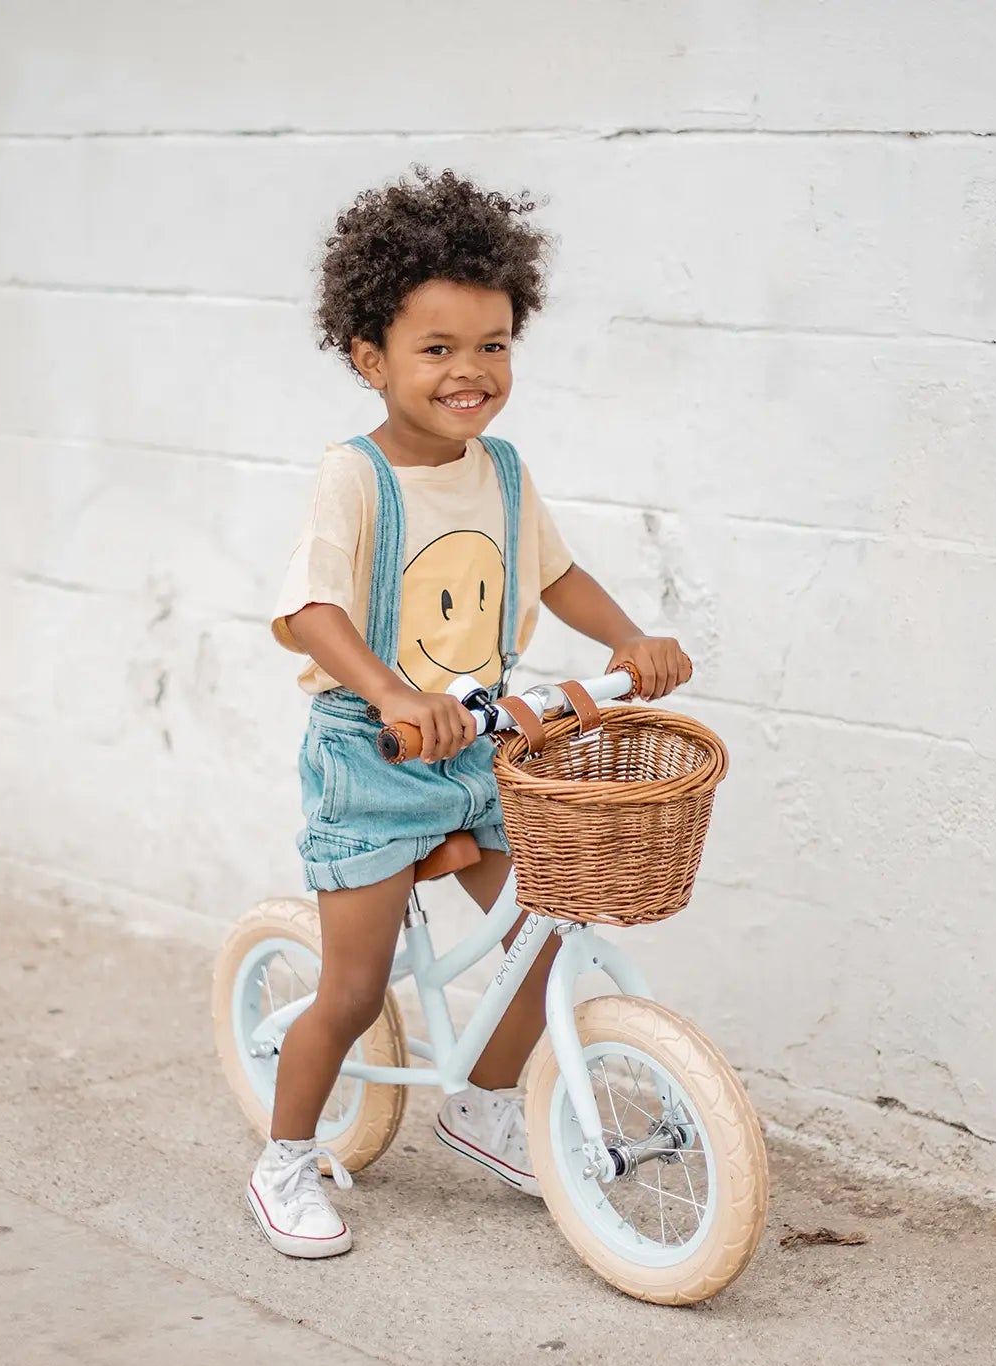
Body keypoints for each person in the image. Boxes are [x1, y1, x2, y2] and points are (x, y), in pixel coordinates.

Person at [254, 168, 693, 1257]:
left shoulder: (502, 471)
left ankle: (481, 1103)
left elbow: (555, 576)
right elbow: (310, 611)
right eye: (437, 348)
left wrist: (628, 640)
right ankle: (284, 1160)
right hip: (375, 753)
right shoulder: (355, 479)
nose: (470, 371)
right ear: (372, 360)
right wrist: (396, 694)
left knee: (545, 932)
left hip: (485, 744)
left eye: (493, 344)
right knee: (354, 989)